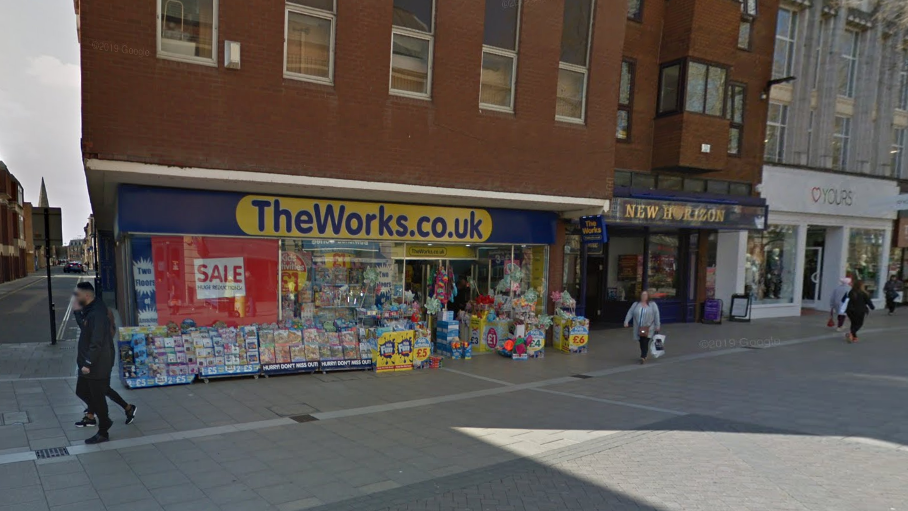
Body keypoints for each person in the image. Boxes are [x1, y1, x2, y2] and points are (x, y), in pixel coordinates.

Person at [73, 302, 137, 428]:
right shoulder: (95, 313)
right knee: (92, 389)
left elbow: (88, 330)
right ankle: (92, 415)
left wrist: (77, 313)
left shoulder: (100, 316)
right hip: (93, 358)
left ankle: (122, 409)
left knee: (100, 389)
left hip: (100, 359)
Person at [73, 282, 117, 444]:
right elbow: (86, 329)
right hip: (90, 361)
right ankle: (103, 419)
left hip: (98, 363)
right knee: (82, 391)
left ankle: (103, 430)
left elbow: (97, 341)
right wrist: (77, 312)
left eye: (77, 295)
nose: (75, 298)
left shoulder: (97, 313)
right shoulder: (89, 310)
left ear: (86, 296)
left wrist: (88, 363)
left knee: (98, 397)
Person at [623, 291, 661, 364]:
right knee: (641, 340)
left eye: (645, 295)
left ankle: (643, 356)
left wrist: (657, 325)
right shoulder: (636, 304)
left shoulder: (652, 304)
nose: (644, 296)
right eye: (642, 295)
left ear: (648, 296)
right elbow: (630, 312)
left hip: (649, 327)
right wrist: (626, 321)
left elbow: (657, 315)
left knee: (645, 341)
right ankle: (644, 354)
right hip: (639, 327)